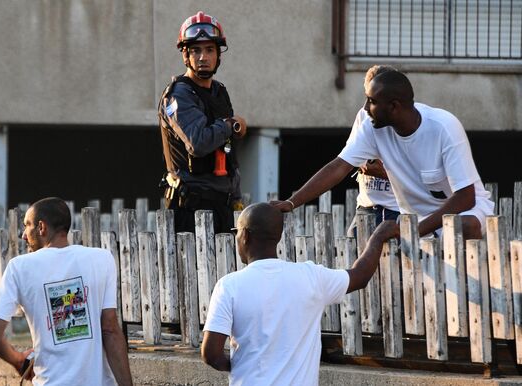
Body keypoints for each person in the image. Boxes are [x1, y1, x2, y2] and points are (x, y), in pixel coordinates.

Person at [272, 67, 494, 239]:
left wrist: (412, 232)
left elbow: (465, 198)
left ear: (394, 106)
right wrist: (291, 202)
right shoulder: (372, 126)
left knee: (463, 226)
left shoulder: (444, 127)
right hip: (414, 220)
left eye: (372, 101)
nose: (366, 108)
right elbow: (339, 167)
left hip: (461, 213)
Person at [201, 203, 397, 385]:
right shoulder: (311, 276)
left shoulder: (229, 286)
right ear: (277, 236)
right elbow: (360, 276)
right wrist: (377, 237)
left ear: (244, 235)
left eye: (236, 232)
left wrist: (240, 367)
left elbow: (211, 354)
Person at [0, 197, 133, 385]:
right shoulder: (101, 259)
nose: (23, 235)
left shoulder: (19, 267)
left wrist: (18, 360)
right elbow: (110, 330)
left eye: (27, 225)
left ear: (41, 227)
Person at [158, 11, 247, 233]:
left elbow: (227, 152)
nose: (202, 57)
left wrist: (235, 196)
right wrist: (228, 124)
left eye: (209, 50)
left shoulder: (219, 92)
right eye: (195, 50)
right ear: (185, 56)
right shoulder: (179, 94)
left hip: (223, 204)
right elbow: (198, 143)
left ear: (219, 55)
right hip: (190, 209)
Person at [346, 65, 401, 237]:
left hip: (396, 210)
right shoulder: (363, 115)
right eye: (367, 97)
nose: (367, 105)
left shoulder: (406, 120)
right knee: (351, 247)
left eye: (374, 99)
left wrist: (385, 172)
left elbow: (415, 173)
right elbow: (350, 155)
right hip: (366, 207)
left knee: (393, 261)